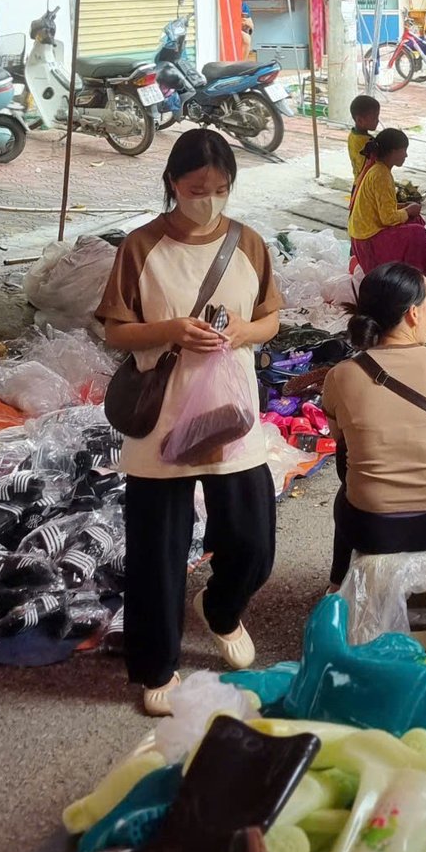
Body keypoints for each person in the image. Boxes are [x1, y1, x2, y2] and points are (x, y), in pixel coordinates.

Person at [97, 129, 283, 716]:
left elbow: (271, 318)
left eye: (221, 189)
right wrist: (173, 330)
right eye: (197, 189)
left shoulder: (249, 243)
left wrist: (243, 334)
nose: (208, 200)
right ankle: (157, 665)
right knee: (157, 549)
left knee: (253, 541)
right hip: (161, 418)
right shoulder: (141, 247)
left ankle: (221, 609)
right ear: (173, 184)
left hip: (231, 413)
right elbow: (116, 331)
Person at [322, 262, 426, 584]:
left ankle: (337, 583)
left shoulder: (339, 376)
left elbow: (343, 445)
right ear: (413, 314)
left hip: (369, 528)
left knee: (347, 478)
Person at [348, 128, 426, 274]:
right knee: (418, 233)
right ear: (393, 152)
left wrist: (405, 206)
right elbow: (388, 218)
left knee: (415, 219)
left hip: (363, 237)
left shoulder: (378, 170)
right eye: (403, 150)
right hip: (368, 242)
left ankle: (413, 269)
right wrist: (407, 210)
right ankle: (415, 277)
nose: (406, 155)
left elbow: (380, 207)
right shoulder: (381, 175)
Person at [347, 94, 381, 185]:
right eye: (374, 118)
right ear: (360, 120)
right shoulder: (368, 143)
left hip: (357, 183)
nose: (377, 120)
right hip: (366, 184)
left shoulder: (352, 135)